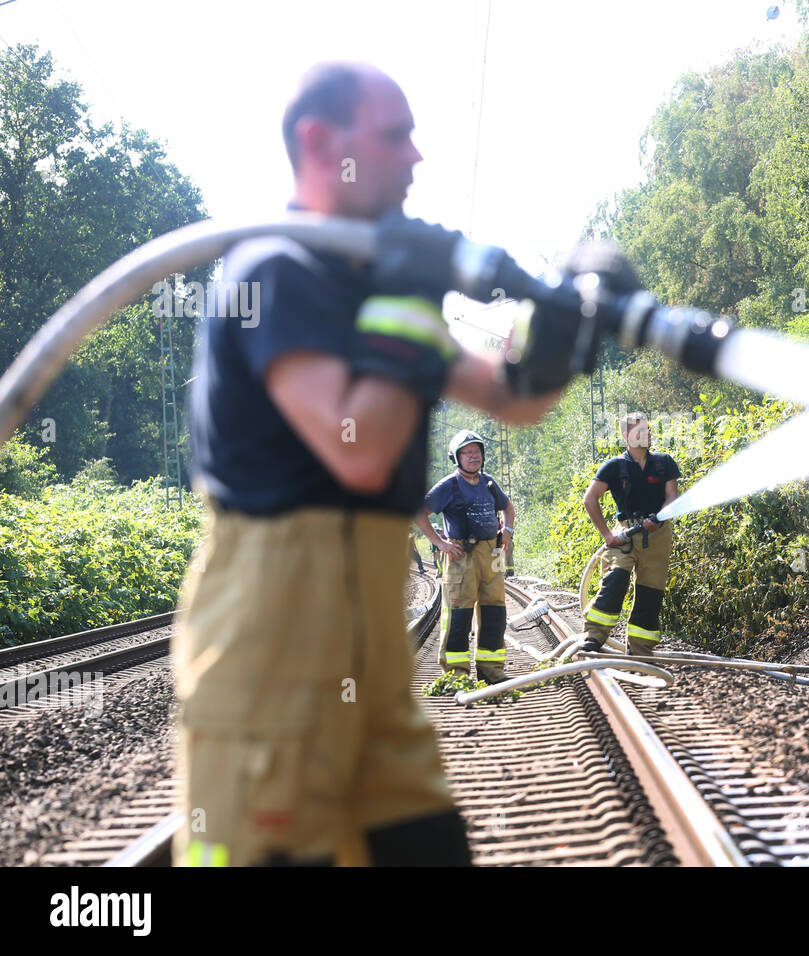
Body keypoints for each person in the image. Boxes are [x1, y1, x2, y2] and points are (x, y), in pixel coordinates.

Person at [176, 62, 562, 867]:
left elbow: (513, 400)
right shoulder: (275, 272)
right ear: (321, 143)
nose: (417, 157)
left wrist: (560, 328)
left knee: (425, 849)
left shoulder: (376, 293)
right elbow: (357, 446)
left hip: (366, 666)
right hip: (272, 656)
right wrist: (410, 298)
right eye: (396, 135)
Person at [415, 429, 514, 684]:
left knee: (495, 610)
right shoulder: (448, 486)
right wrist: (440, 543)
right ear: (456, 457)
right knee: (459, 612)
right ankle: (456, 674)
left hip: (492, 554)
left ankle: (492, 669)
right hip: (462, 556)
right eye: (467, 452)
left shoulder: (489, 483)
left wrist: (508, 532)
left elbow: (508, 507)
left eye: (477, 451)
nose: (474, 456)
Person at [580, 412, 680, 657]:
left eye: (647, 430)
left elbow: (672, 496)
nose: (646, 435)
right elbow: (590, 499)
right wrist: (606, 535)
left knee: (650, 593)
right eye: (639, 431)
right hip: (624, 534)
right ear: (626, 436)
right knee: (615, 582)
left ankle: (640, 649)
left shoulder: (664, 463)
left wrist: (659, 518)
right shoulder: (615, 467)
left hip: (658, 535)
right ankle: (594, 637)